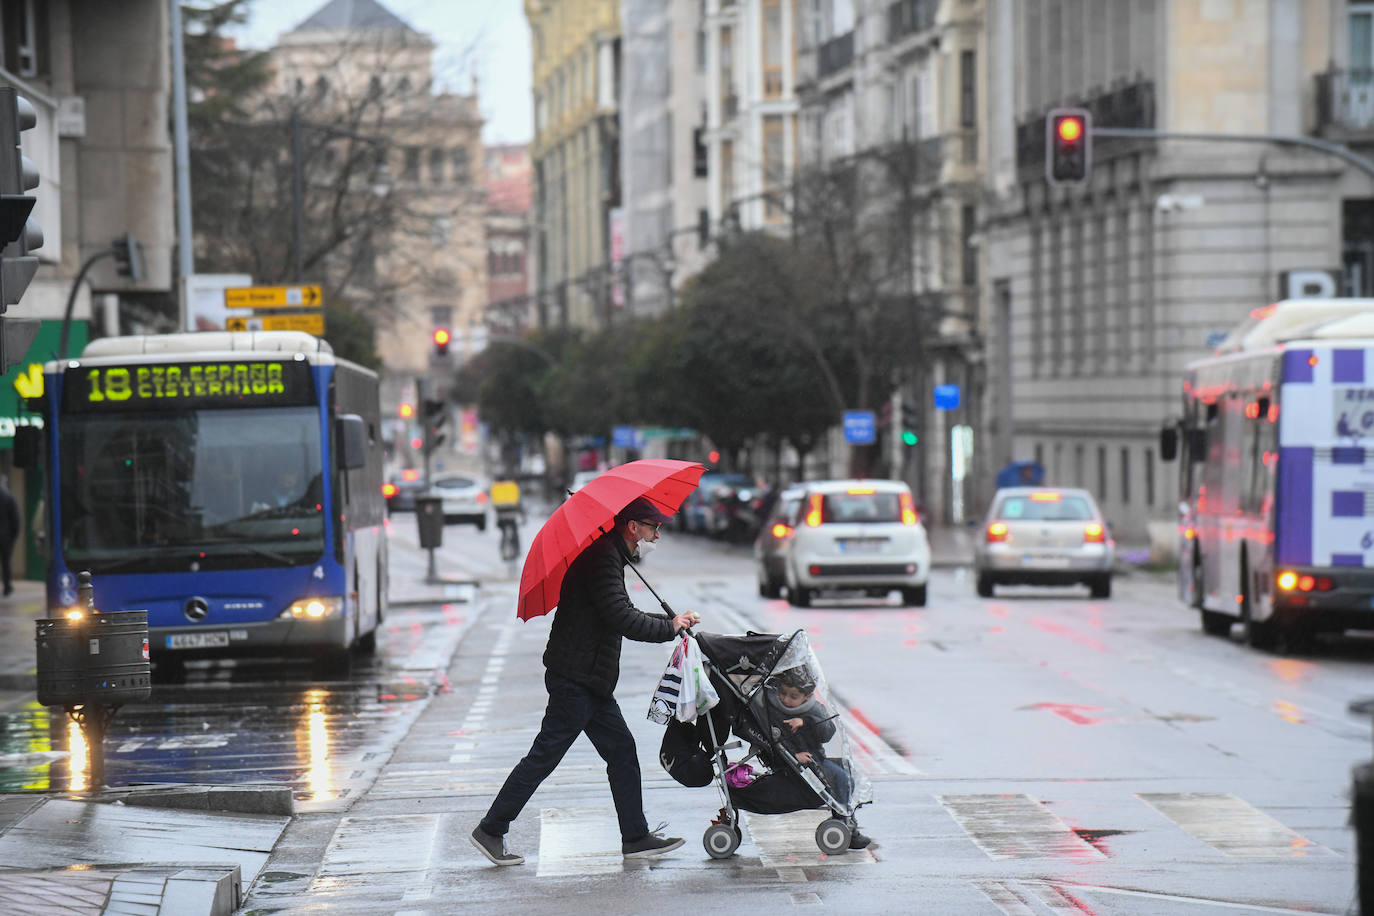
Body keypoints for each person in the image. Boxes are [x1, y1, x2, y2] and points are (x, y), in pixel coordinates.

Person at [471, 496, 701, 866]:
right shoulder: (601, 559)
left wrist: (669, 623)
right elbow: (620, 618)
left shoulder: (610, 557)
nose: (656, 534)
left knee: (622, 752)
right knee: (545, 755)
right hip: (576, 679)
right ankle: (491, 828)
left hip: (590, 680)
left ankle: (636, 837)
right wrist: (669, 628)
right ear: (633, 527)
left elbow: (620, 610)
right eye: (653, 527)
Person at [765, 666, 872, 850]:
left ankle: (844, 818)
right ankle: (847, 826)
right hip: (798, 764)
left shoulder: (814, 710)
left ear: (806, 697)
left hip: (816, 759)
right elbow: (775, 741)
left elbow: (827, 732)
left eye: (793, 696)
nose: (786, 699)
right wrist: (793, 756)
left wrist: (806, 722)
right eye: (783, 693)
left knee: (846, 774)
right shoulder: (775, 712)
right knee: (840, 778)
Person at [0, 477, 18, 596]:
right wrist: (13, 536)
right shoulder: (8, 497)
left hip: (5, 534)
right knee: (6, 562)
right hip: (5, 536)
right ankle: (7, 587)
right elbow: (15, 520)